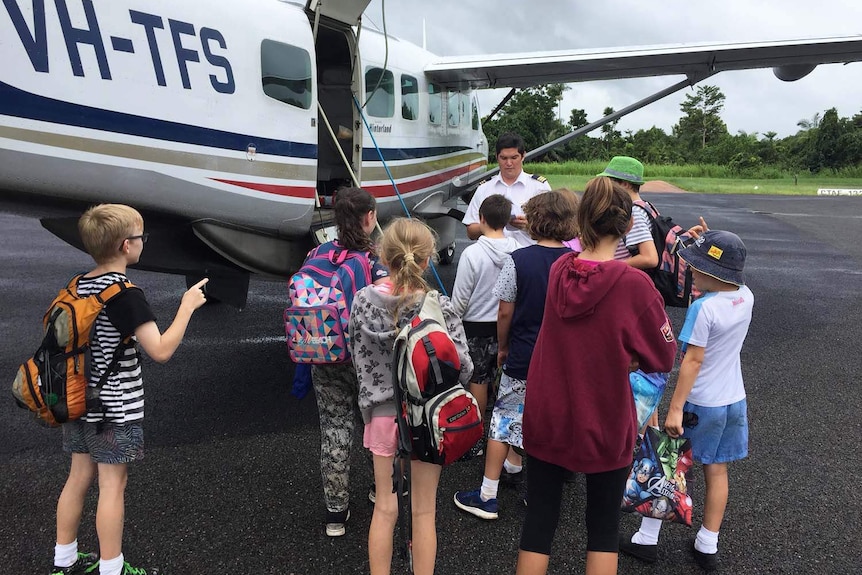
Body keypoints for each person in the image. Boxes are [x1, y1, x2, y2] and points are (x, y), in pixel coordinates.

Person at [514, 177, 677, 575]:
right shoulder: (633, 285)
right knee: (602, 528)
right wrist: (629, 358)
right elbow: (664, 354)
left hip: (547, 411)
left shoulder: (560, 271)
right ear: (625, 227)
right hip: (603, 415)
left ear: (582, 221)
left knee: (539, 521)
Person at [51, 204, 208, 575]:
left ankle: (64, 561)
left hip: (76, 400)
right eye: (141, 238)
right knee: (112, 485)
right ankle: (112, 568)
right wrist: (186, 307)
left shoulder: (77, 284)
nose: (143, 243)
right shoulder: (126, 294)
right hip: (114, 408)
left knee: (77, 478)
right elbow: (161, 349)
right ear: (126, 245)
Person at [620, 230, 753, 572]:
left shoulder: (704, 309)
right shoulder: (746, 296)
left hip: (700, 402)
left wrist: (675, 407)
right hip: (733, 399)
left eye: (697, 266)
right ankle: (708, 544)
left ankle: (646, 539)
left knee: (670, 466)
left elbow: (692, 362)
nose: (690, 271)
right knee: (717, 469)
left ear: (713, 273)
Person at [348, 218, 473, 575]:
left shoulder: (362, 301)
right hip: (429, 419)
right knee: (423, 510)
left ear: (382, 255)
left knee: (385, 508)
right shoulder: (438, 305)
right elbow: (464, 365)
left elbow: (354, 352)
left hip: (383, 417)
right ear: (427, 258)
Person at [454, 190, 578, 520]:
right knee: (549, 425)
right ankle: (538, 493)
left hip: (523, 356)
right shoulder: (576, 263)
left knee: (504, 421)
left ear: (533, 220)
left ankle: (488, 495)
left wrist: (504, 345)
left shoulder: (518, 260)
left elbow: (505, 311)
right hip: (562, 361)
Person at [304, 187, 390, 537]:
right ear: (369, 217)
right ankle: (379, 490)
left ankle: (335, 513)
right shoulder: (374, 260)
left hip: (322, 353)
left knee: (334, 428)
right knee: (377, 425)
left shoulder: (316, 252)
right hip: (366, 359)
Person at [451, 193, 520, 458]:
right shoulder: (517, 250)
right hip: (506, 324)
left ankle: (476, 437)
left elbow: (461, 296)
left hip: (474, 325)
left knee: (478, 380)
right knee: (500, 379)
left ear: (481, 219)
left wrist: (452, 321)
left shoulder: (472, 253)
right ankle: (500, 434)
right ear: (507, 220)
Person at [463, 132, 551, 247]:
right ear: (496, 157)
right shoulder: (484, 188)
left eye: (514, 158)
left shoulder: (539, 187)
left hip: (527, 257)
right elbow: (471, 232)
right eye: (503, 158)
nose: (509, 163)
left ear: (523, 156)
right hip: (492, 258)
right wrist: (493, 223)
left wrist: (529, 225)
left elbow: (553, 227)